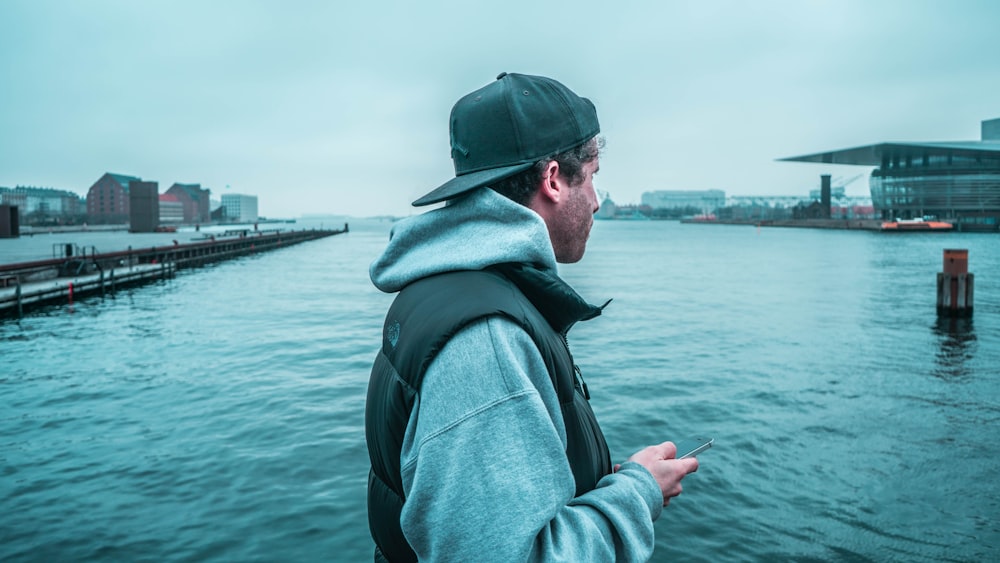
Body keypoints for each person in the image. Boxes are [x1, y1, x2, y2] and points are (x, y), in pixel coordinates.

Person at [365, 72, 700, 562]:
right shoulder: (485, 341)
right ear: (553, 180)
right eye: (592, 175)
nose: (597, 201)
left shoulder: (446, 289)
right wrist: (638, 492)